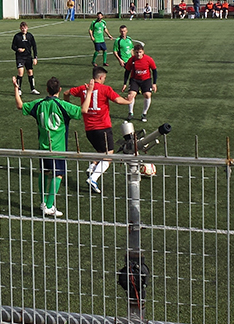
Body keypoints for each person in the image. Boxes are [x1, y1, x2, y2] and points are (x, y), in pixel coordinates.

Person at [14, 75, 89, 218]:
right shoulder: (62, 105)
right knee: (58, 175)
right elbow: (83, 110)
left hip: (43, 147)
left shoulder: (39, 103)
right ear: (59, 90)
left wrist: (16, 90)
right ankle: (49, 206)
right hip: (58, 148)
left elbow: (20, 105)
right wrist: (89, 92)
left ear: (47, 89)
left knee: (44, 173)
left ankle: (43, 202)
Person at [65, 66, 130, 194]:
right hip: (103, 127)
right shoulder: (105, 89)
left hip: (89, 129)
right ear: (101, 77)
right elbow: (117, 100)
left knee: (101, 151)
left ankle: (92, 166)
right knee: (108, 155)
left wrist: (69, 108)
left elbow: (66, 93)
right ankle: (93, 178)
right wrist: (129, 101)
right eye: (104, 78)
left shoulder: (83, 88)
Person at [123, 42, 157, 122]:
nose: (138, 54)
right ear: (134, 52)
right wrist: (125, 83)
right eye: (137, 52)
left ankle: (144, 114)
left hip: (146, 80)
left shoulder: (148, 59)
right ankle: (130, 113)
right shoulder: (131, 60)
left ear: (143, 52)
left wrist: (154, 83)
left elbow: (154, 70)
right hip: (134, 80)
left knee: (147, 95)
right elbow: (127, 71)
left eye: (140, 52)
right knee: (131, 95)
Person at [11, 21, 39, 94]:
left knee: (30, 72)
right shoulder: (17, 36)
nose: (24, 29)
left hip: (28, 57)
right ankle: (19, 89)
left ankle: (33, 89)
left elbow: (34, 47)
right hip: (20, 57)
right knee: (20, 73)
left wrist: (35, 57)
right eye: (22, 28)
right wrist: (18, 49)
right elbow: (13, 46)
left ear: (27, 28)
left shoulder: (30, 36)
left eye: (25, 28)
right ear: (20, 28)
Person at [113, 25, 135, 90]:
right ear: (120, 31)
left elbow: (131, 49)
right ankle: (130, 86)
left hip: (131, 59)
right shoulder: (118, 41)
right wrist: (120, 60)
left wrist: (134, 58)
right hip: (124, 60)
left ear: (127, 31)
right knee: (131, 71)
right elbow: (115, 51)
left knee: (133, 72)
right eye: (122, 31)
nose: (123, 33)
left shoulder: (129, 39)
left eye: (124, 31)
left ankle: (129, 86)